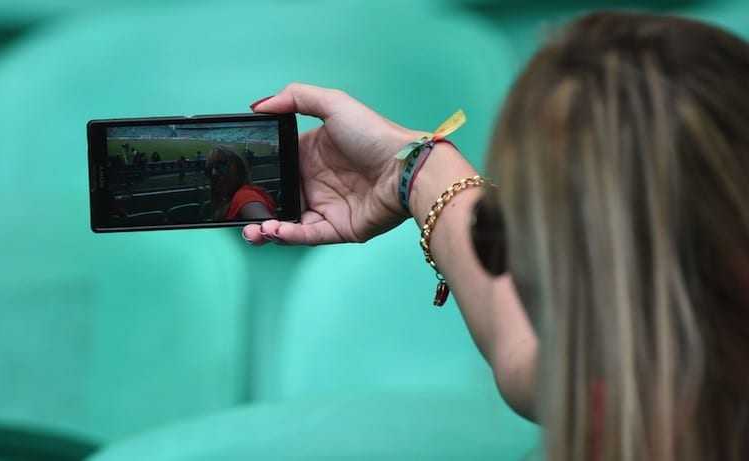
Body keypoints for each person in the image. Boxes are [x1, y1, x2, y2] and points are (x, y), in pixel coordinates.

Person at [243, 11, 749, 461]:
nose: (492, 264)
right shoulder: (631, 378)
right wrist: (412, 169)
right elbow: (529, 358)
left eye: (499, 229)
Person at [206, 145, 276, 221]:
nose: (214, 173)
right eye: (210, 168)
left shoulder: (244, 195)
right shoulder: (229, 198)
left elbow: (266, 226)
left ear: (239, 168)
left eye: (221, 165)